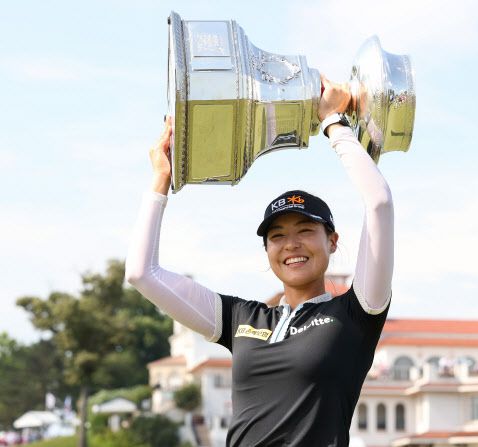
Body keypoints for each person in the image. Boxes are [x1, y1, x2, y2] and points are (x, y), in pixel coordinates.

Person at [126, 76, 394, 446]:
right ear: (267, 250)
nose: (291, 244)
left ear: (332, 242)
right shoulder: (240, 318)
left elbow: (378, 203)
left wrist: (333, 121)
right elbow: (141, 274)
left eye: (305, 230)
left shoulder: (356, 313)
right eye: (277, 236)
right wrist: (160, 179)